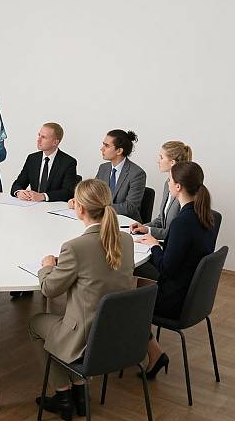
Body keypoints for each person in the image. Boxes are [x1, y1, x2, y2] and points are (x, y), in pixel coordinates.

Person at [29, 179, 135, 420]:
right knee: (63, 322)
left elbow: (48, 289)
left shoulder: (75, 247)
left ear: (80, 209)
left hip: (84, 338)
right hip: (116, 335)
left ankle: (63, 394)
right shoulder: (126, 240)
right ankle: (80, 391)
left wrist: (46, 266)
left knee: (35, 324)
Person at [136, 161, 219, 379]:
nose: (168, 184)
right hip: (192, 295)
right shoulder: (205, 215)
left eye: (170, 181)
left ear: (179, 187)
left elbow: (166, 269)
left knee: (123, 297)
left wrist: (154, 245)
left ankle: (153, 353)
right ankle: (153, 352)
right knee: (135, 284)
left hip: (175, 299)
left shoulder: (182, 222)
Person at [130, 141, 192, 280]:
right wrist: (145, 227)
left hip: (169, 254)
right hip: (162, 245)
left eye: (161, 157)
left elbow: (173, 232)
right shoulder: (168, 183)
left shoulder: (184, 192)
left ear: (172, 163)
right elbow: (161, 218)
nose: (158, 161)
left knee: (129, 263)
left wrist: (149, 233)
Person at [70, 130, 146, 222]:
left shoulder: (137, 174)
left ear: (119, 151)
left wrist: (95, 207)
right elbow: (92, 193)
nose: (102, 149)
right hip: (101, 219)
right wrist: (79, 201)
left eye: (107, 146)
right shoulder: (103, 168)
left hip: (125, 223)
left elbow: (130, 207)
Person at [11, 122, 77, 202]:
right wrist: (19, 192)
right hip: (32, 207)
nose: (38, 140)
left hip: (54, 208)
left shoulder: (68, 162)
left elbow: (68, 192)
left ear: (55, 142)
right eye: (39, 135)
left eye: (44, 137)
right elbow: (18, 183)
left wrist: (43, 196)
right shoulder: (32, 158)